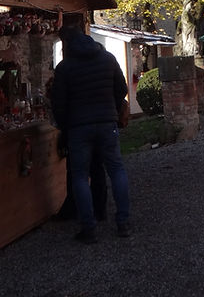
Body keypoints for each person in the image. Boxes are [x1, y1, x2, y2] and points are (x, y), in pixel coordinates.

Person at [51, 24, 131, 243]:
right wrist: (111, 109)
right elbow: (122, 89)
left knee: (79, 175)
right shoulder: (107, 58)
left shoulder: (65, 67)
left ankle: (88, 228)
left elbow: (59, 102)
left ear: (67, 44)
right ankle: (123, 222)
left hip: (79, 126)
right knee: (116, 170)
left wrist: (64, 126)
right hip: (107, 123)